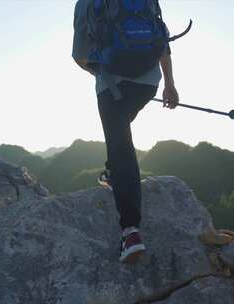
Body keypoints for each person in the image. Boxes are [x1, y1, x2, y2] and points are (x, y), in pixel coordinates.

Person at [72, 0, 180, 264]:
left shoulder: (86, 3)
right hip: (148, 84)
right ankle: (114, 173)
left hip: (111, 84)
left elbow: (79, 55)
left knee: (121, 145)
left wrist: (101, 72)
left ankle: (130, 231)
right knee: (120, 134)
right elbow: (161, 42)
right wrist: (170, 85)